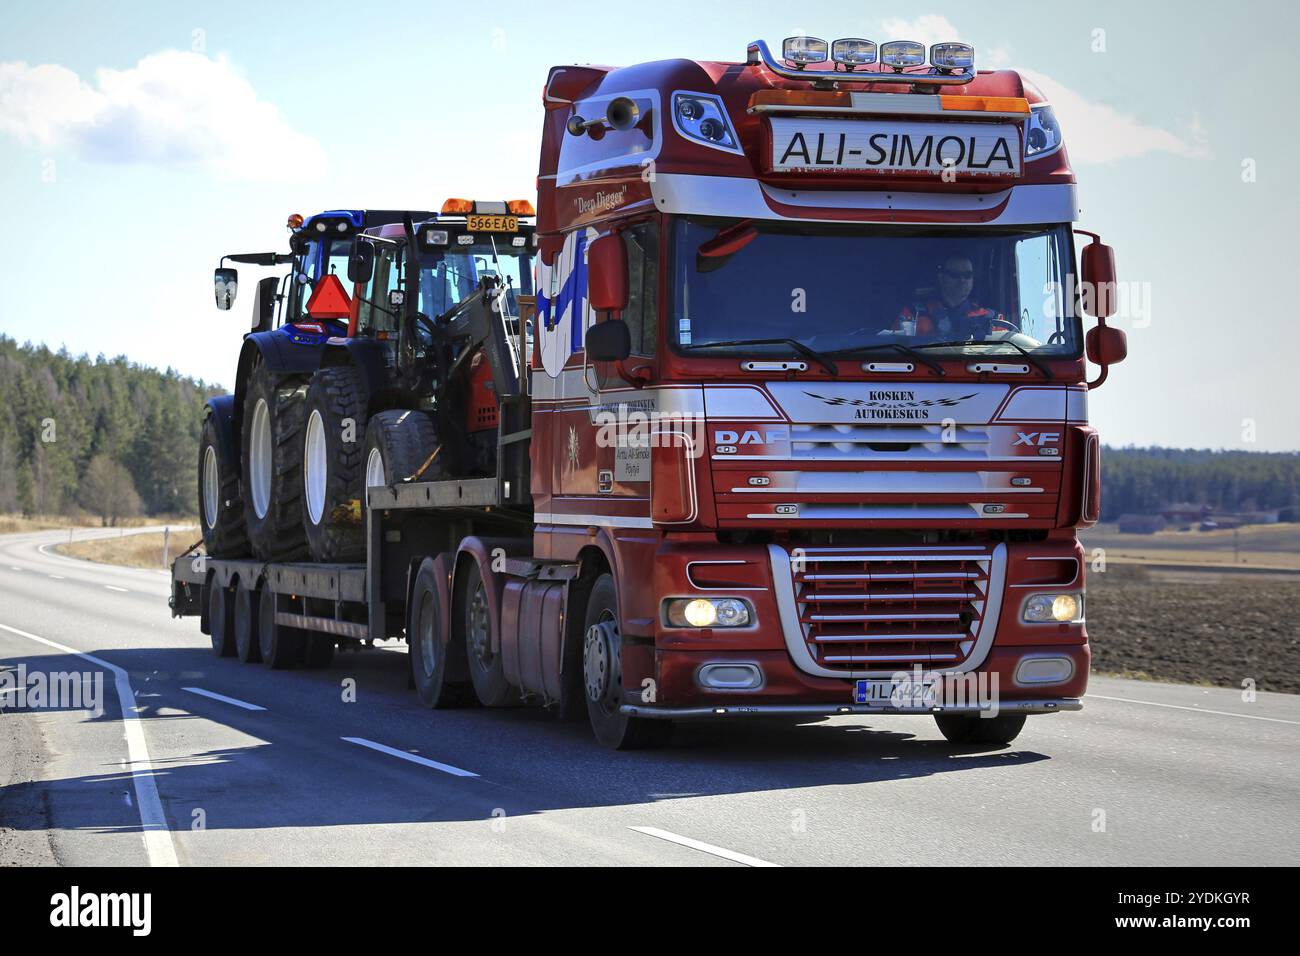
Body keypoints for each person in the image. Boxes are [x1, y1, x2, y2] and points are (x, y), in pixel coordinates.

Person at [891, 254, 1008, 340]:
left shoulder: (991, 319)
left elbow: (1005, 354)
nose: (962, 280)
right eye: (955, 275)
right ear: (941, 278)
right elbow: (896, 349)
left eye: (967, 275)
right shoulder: (912, 315)